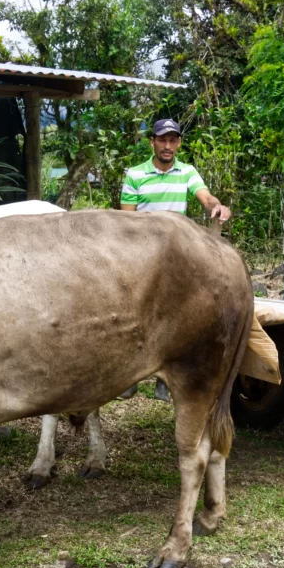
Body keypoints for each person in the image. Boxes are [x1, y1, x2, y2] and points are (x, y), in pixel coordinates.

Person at [119, 119, 233, 402]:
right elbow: (126, 220)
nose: (167, 145)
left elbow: (204, 197)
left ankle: (164, 379)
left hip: (176, 259)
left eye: (173, 140)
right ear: (152, 143)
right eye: (162, 140)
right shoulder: (135, 174)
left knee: (175, 317)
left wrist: (216, 206)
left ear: (179, 143)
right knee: (135, 316)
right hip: (141, 258)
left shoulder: (187, 172)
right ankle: (128, 378)